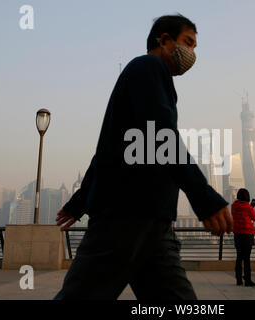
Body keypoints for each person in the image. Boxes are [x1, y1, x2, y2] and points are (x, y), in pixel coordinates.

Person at [54, 14, 233, 300]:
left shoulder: (151, 77)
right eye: (188, 43)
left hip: (153, 221)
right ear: (164, 40)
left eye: (196, 46)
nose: (193, 53)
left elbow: (109, 149)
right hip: (125, 217)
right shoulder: (147, 67)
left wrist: (80, 201)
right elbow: (160, 135)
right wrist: (204, 196)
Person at [231, 188, 255, 287]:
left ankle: (238, 280)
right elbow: (254, 218)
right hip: (247, 234)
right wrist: (252, 207)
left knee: (239, 257)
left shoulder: (233, 206)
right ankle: (248, 280)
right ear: (247, 196)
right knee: (246, 258)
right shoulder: (248, 207)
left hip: (237, 234)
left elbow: (234, 216)